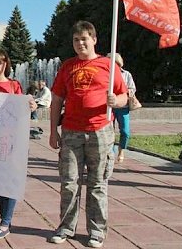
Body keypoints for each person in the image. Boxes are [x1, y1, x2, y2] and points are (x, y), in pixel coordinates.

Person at [48, 21, 127, 248]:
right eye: (76, 40)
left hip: (100, 131)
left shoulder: (108, 65)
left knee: (97, 184)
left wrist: (116, 100)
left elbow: (124, 96)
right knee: (69, 183)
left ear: (94, 39)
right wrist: (53, 131)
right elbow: (56, 100)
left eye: (84, 39)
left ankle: (96, 231)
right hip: (72, 131)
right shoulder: (67, 67)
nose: (80, 43)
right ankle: (65, 227)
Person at [0, 49, 36, 239]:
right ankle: (3, 219)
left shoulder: (14, 85)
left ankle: (5, 221)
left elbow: (23, 109)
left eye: (1, 62)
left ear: (6, 64)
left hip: (11, 140)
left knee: (9, 180)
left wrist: (31, 106)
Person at [107, 53, 136, 163]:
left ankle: (121, 150)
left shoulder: (126, 74)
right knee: (109, 131)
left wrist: (124, 92)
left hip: (123, 106)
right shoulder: (106, 74)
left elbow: (132, 88)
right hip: (109, 107)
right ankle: (111, 152)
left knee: (125, 131)